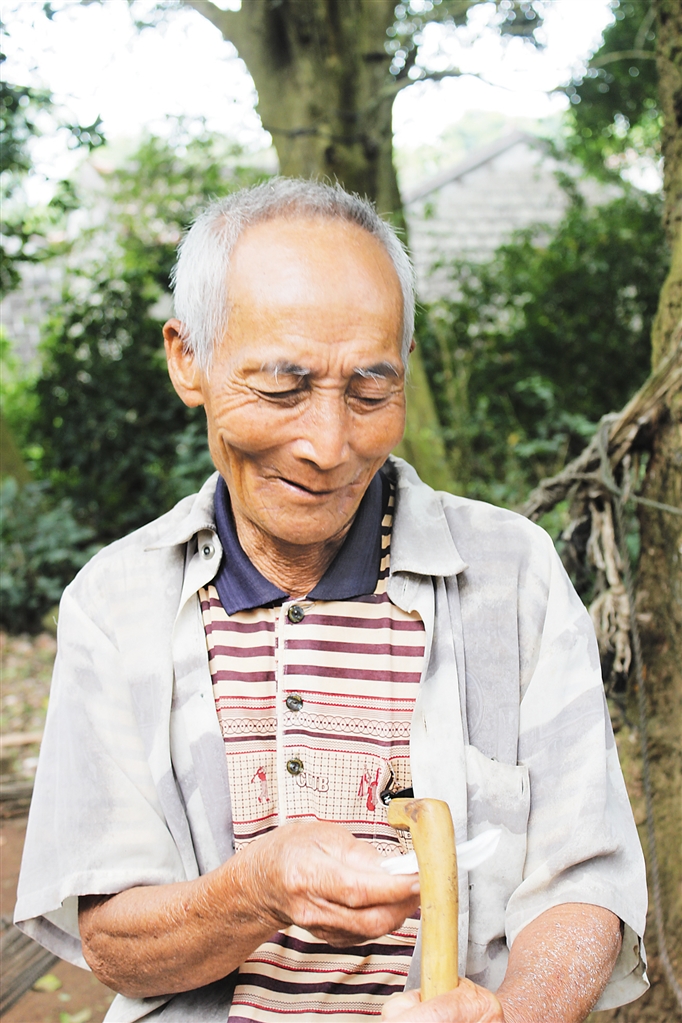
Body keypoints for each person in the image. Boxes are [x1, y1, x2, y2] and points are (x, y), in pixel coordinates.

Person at [15, 179, 648, 1023]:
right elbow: (115, 943)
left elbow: (585, 881)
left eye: (370, 392)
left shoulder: (513, 575)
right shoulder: (115, 604)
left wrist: (511, 1015)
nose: (328, 444)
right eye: (282, 390)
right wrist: (259, 888)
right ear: (187, 358)